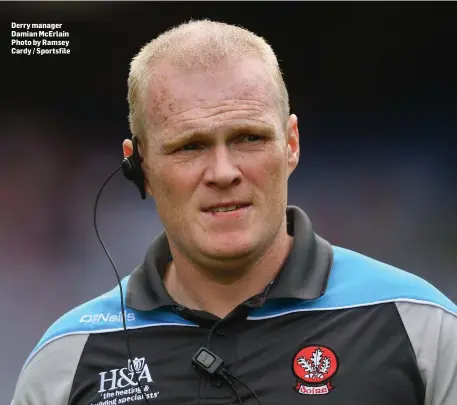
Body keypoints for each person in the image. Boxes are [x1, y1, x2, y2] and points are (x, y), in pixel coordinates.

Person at [11, 19, 457, 405]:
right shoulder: (66, 361)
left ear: (291, 144)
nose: (224, 172)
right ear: (139, 167)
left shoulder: (420, 329)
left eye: (249, 138)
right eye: (190, 146)